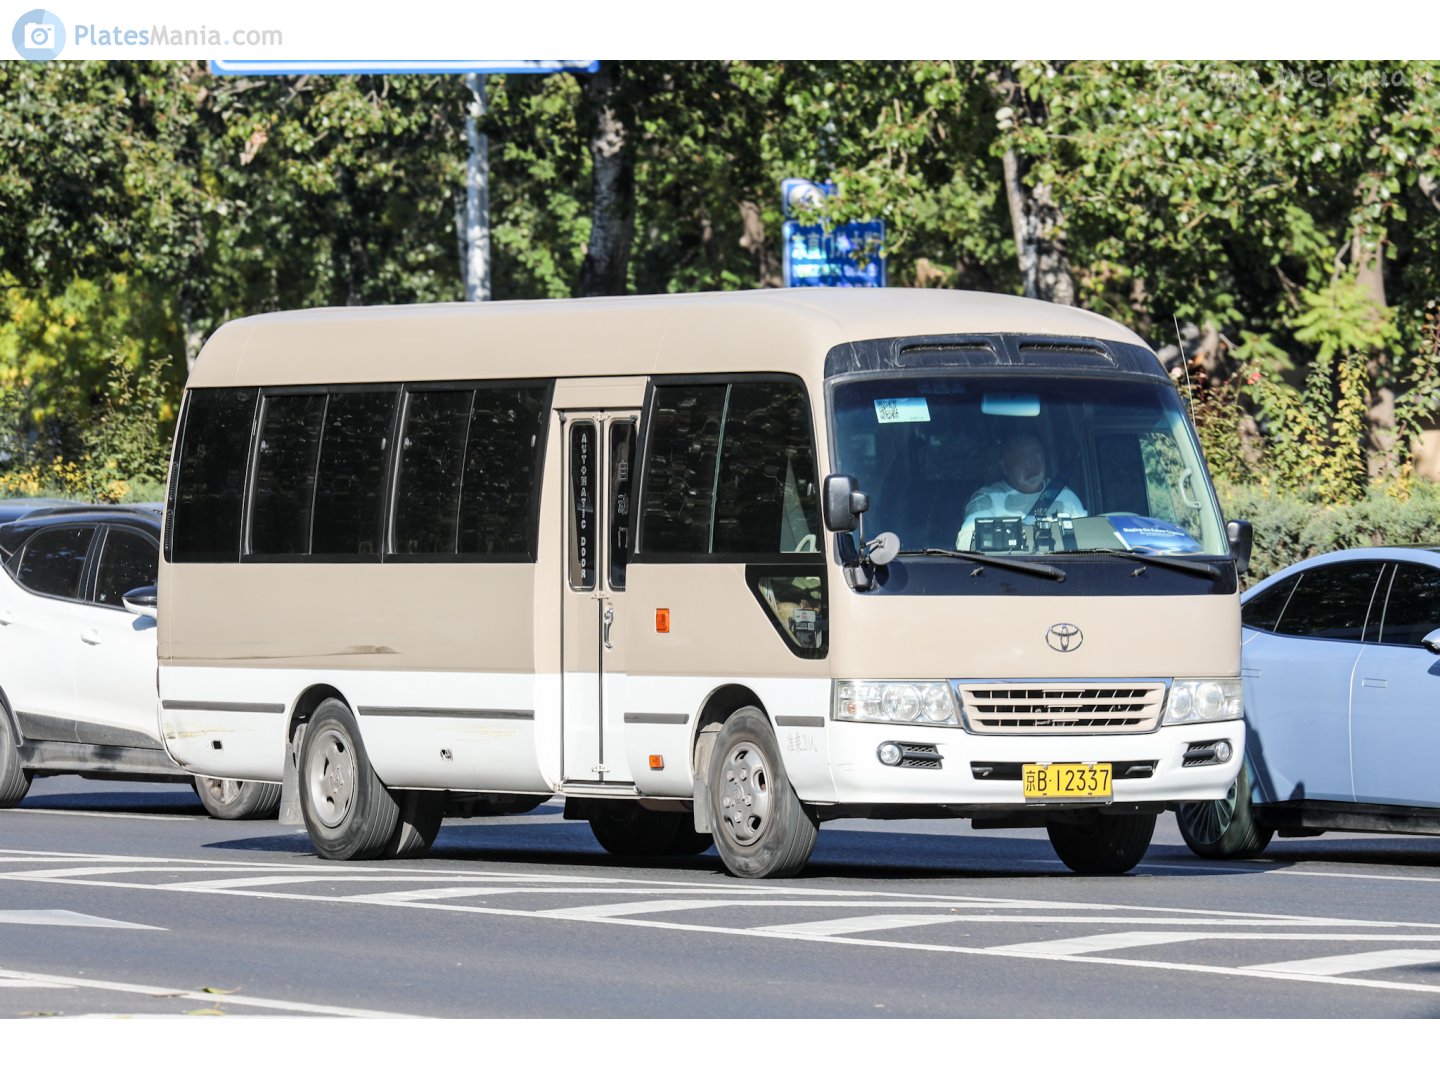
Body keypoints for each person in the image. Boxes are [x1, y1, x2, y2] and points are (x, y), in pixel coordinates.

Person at [957, 430, 1086, 549]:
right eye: (1022, 458)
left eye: (1037, 456)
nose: (1032, 464)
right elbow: (968, 545)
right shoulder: (987, 501)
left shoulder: (1065, 496)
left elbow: (1088, 538)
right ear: (1004, 466)